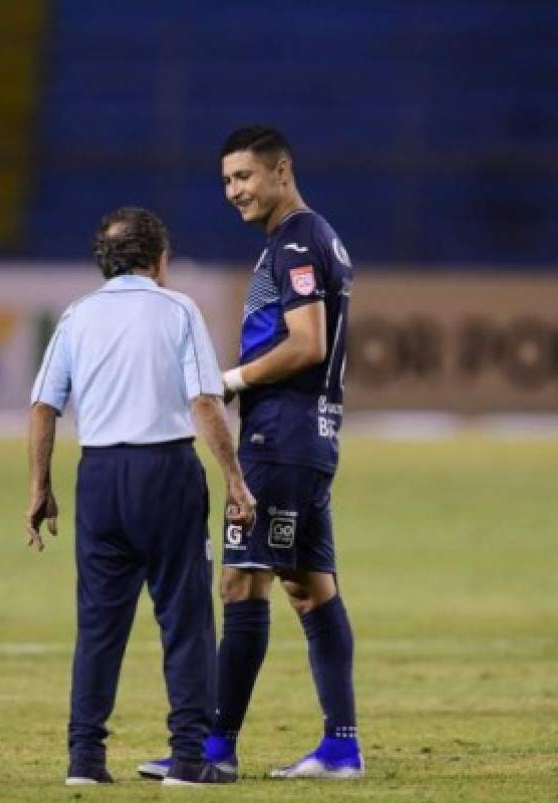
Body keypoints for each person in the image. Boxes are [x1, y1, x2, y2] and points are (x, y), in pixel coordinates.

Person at [139, 126, 362, 781]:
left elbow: (306, 342)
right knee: (311, 587)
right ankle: (340, 749)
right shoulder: (317, 237)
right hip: (309, 438)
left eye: (244, 176)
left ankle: (215, 750)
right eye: (227, 180)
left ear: (281, 170)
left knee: (241, 580)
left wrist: (230, 380)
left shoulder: (296, 239)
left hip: (278, 440)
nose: (234, 191)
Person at [27, 206, 255, 787]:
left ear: (105, 262)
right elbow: (204, 402)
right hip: (166, 472)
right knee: (186, 620)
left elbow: (44, 405)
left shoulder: (78, 315)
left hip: (99, 476)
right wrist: (233, 478)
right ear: (159, 259)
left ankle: (85, 759)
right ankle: (186, 759)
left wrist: (40, 487)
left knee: (99, 626)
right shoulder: (178, 308)